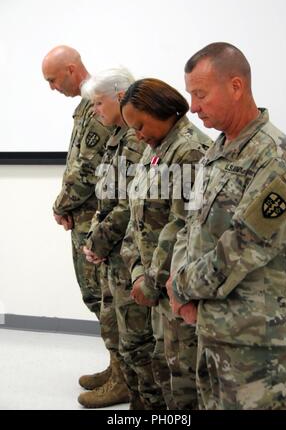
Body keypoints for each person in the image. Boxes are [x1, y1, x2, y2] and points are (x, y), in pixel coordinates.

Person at [167, 42, 286, 410]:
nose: (193, 108)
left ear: (236, 86)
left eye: (200, 95)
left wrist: (180, 287)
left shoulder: (275, 158)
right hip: (217, 330)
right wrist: (184, 288)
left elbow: (242, 247)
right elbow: (190, 224)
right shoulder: (218, 150)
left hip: (260, 348)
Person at [42, 46, 128, 406]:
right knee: (98, 298)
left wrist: (62, 204)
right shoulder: (86, 107)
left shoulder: (97, 107)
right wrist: (67, 208)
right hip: (84, 217)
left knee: (106, 299)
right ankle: (117, 366)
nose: (51, 88)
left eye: (52, 79)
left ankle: (125, 377)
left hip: (96, 220)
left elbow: (88, 169)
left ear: (71, 69)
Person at [120, 78, 212, 409]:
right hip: (155, 286)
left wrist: (152, 278)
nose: (137, 134)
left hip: (176, 287)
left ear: (160, 110)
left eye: (140, 125)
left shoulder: (188, 151)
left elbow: (182, 225)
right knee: (164, 370)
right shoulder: (155, 148)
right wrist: (136, 271)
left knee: (185, 382)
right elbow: (137, 217)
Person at [79, 68, 165, 410]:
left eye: (98, 103)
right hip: (115, 248)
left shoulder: (134, 138)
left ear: (119, 97)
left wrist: (97, 242)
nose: (95, 111)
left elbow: (128, 204)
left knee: (134, 334)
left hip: (126, 251)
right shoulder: (118, 136)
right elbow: (109, 194)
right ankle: (121, 378)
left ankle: (132, 390)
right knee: (116, 325)